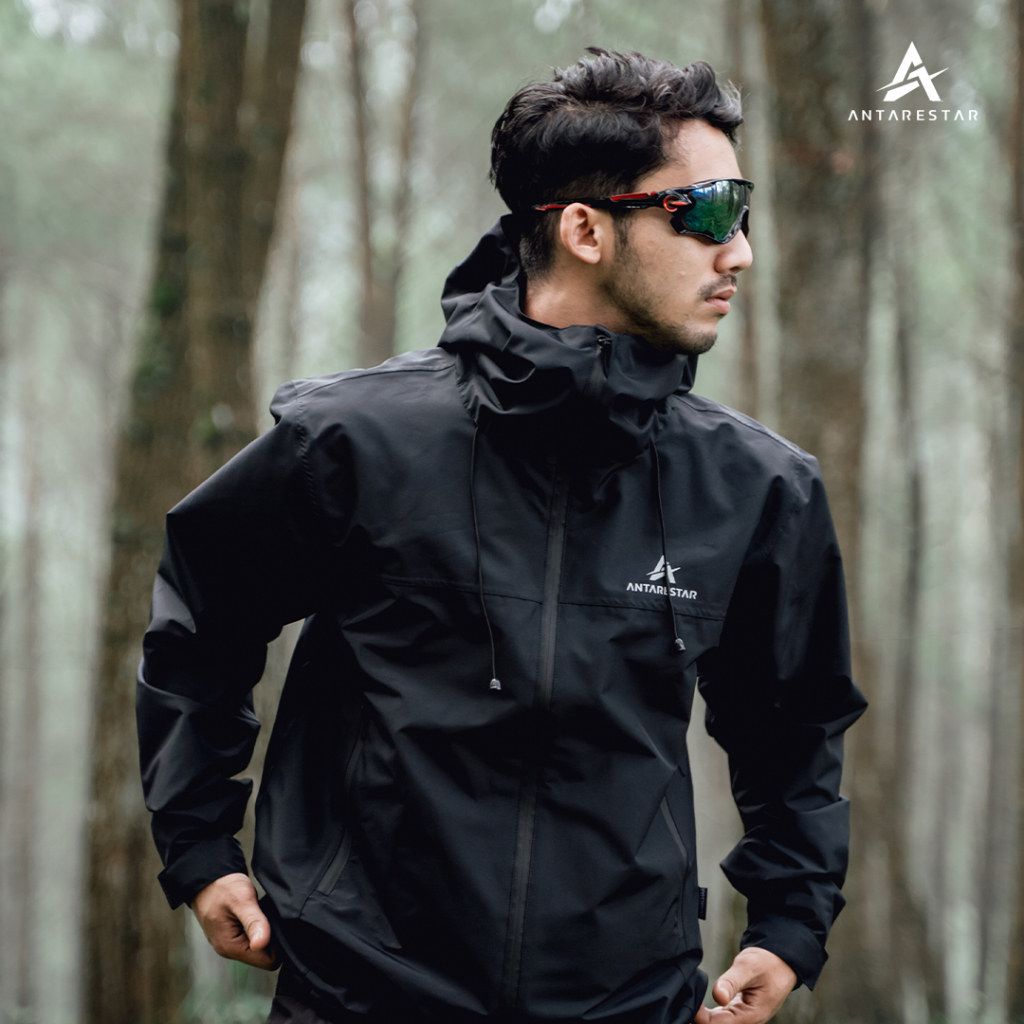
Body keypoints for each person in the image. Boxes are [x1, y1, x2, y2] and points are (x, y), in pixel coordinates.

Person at [138, 49, 867, 1024]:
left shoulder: (757, 487)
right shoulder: (353, 442)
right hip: (359, 992)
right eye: (706, 213)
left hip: (626, 1001)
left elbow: (795, 729)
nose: (737, 252)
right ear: (584, 229)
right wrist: (198, 848)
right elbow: (201, 626)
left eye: (744, 214)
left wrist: (788, 922)